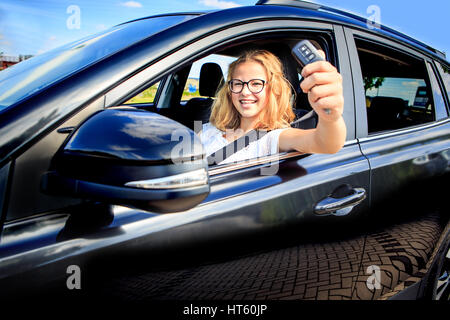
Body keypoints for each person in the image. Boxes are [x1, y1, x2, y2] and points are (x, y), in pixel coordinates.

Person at [200, 49, 346, 165]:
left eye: (256, 84)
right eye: (238, 83)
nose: (244, 92)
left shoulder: (272, 138)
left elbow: (326, 143)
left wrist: (330, 114)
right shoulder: (211, 129)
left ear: (273, 90)